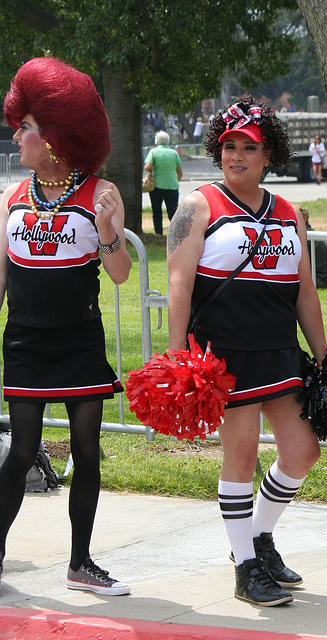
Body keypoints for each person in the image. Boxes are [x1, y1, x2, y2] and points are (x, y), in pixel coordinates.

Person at [167, 96, 327, 607]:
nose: (236, 155)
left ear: (268, 155)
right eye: (228, 146)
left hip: (278, 350)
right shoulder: (198, 205)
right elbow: (178, 283)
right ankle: (246, 570)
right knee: (239, 457)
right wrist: (176, 357)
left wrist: (322, 355)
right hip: (224, 354)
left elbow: (304, 290)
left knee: (302, 450)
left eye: (248, 147)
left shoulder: (290, 214)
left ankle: (257, 538)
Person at [0, 57, 131, 595]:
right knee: (23, 449)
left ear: (54, 136)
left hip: (79, 339)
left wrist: (106, 231)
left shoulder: (103, 192)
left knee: (85, 446)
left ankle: (80, 563)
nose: (18, 135)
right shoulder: (11, 200)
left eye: (27, 127)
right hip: (26, 341)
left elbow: (120, 273)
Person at [143, 131, 182, 235]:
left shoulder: (153, 152)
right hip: (172, 186)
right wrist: (176, 179)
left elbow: (147, 167)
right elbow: (179, 171)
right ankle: (176, 233)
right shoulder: (174, 153)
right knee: (173, 212)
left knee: (157, 212)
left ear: (156, 141)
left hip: (157, 186)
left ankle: (159, 234)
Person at [297, 205, 327, 289]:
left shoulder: (308, 237)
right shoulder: (310, 235)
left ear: (304, 219)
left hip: (318, 280)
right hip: (319, 278)